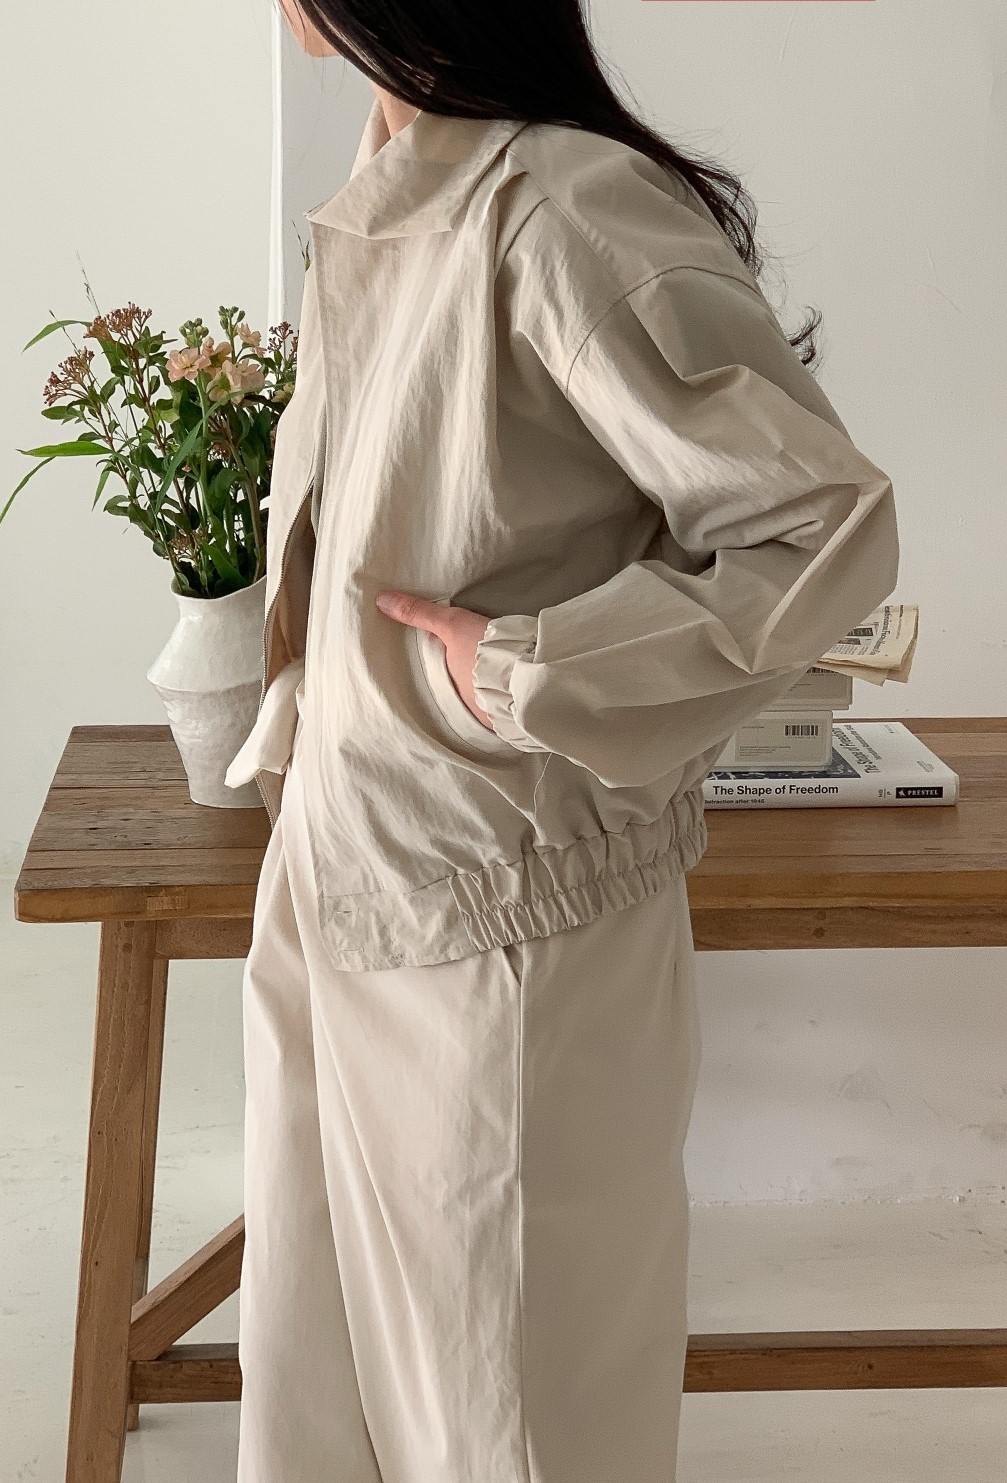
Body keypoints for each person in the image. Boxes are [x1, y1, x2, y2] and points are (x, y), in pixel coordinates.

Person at [227, 1, 900, 1479]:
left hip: (505, 933)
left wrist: (531, 667)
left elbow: (821, 528)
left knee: (515, 1430)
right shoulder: (392, 192)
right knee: (328, 1416)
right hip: (348, 877)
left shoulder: (561, 208)